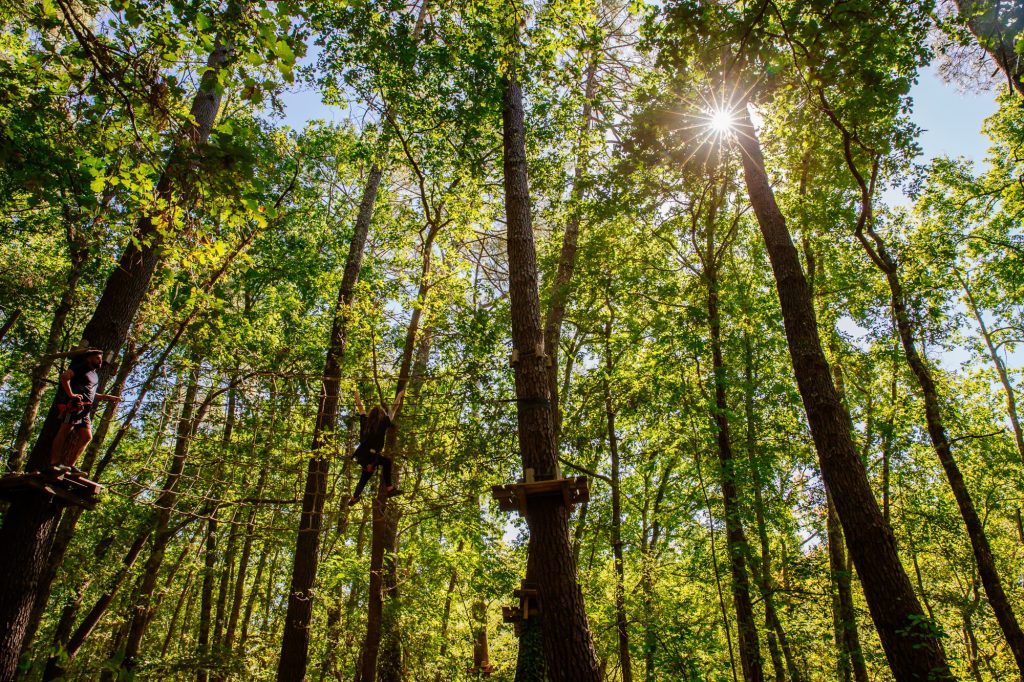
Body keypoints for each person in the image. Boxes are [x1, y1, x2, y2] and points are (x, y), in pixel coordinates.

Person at [50, 348, 120, 470]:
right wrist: (71, 395)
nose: (100, 361)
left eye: (101, 359)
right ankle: (54, 462)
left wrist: (107, 397)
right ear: (89, 358)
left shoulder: (94, 374)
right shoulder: (81, 367)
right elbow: (65, 376)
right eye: (97, 358)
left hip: (85, 410)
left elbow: (90, 393)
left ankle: (70, 465)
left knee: (87, 437)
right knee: (64, 431)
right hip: (75, 406)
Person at [348, 387, 405, 505]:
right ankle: (389, 488)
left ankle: (354, 498)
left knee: (364, 478)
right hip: (372, 457)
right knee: (386, 462)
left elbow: (360, 407)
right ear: (381, 415)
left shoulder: (365, 421)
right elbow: (394, 408)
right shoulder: (383, 422)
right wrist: (399, 396)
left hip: (364, 456)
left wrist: (356, 395)